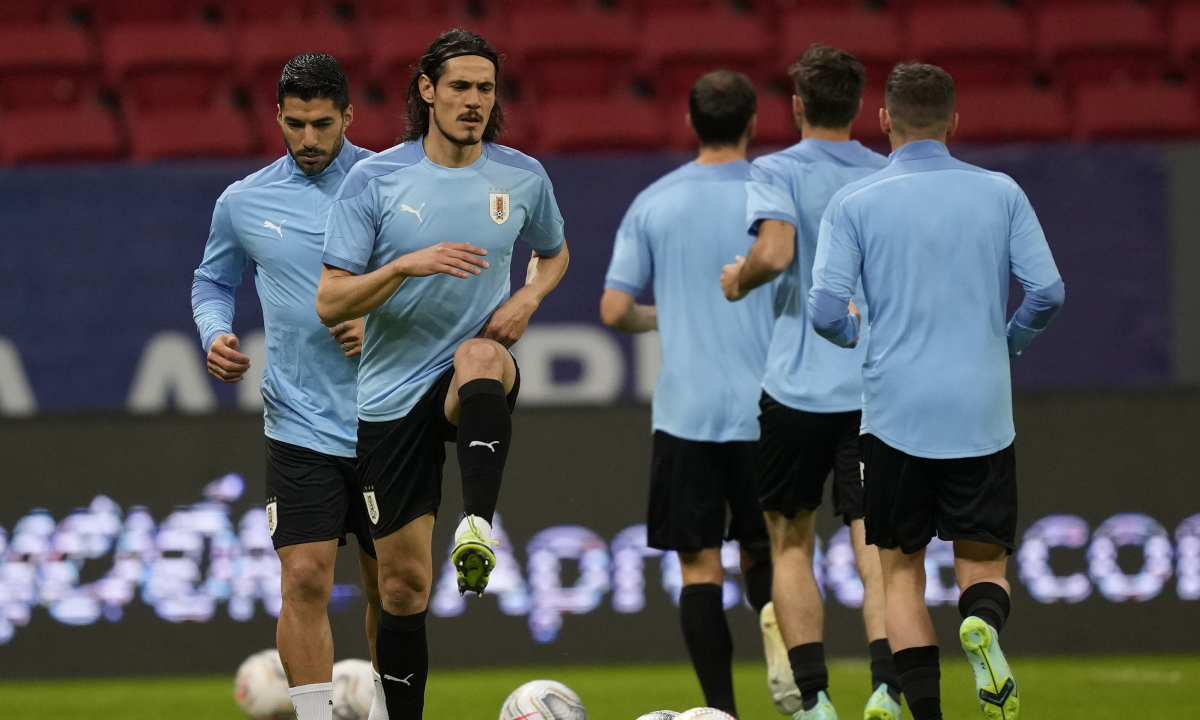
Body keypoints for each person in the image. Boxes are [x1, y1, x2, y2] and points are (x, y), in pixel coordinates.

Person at [315, 28, 569, 720]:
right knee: (401, 589)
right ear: (426, 91)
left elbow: (555, 251)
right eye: (460, 86)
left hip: (467, 373)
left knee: (482, 357)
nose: (474, 101)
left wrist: (527, 298)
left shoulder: (521, 177)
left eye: (485, 89)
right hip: (390, 391)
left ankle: (478, 526)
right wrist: (402, 267)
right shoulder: (376, 179)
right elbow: (330, 298)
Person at [809, 63, 1065, 720]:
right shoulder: (1000, 191)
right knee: (983, 567)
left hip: (895, 415)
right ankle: (980, 624)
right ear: (955, 122)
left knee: (900, 575)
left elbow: (826, 311)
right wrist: (1006, 343)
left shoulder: (856, 203)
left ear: (885, 121)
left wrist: (854, 337)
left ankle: (927, 714)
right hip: (980, 411)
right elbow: (1047, 292)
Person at [192, 54, 384, 720]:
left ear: (348, 117)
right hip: (297, 419)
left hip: (387, 416)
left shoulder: (393, 183)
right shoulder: (243, 201)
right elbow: (213, 280)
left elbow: (445, 284)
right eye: (296, 124)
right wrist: (214, 331)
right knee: (303, 576)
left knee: (394, 587)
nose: (308, 140)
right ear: (277, 115)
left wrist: (383, 320)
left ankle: (392, 710)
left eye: (323, 125)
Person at [721, 44, 899, 720]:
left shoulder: (776, 169)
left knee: (791, 543)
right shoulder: (887, 175)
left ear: (797, 105)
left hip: (795, 389)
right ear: (859, 109)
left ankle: (816, 699)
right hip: (872, 389)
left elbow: (775, 250)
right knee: (876, 547)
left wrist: (740, 278)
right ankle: (886, 686)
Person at [600, 70, 774, 720]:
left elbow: (615, 309)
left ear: (689, 124)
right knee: (772, 551)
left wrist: (663, 315)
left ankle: (719, 711)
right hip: (769, 411)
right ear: (753, 123)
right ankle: (792, 658)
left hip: (687, 413)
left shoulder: (655, 201)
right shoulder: (774, 195)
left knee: (700, 567)